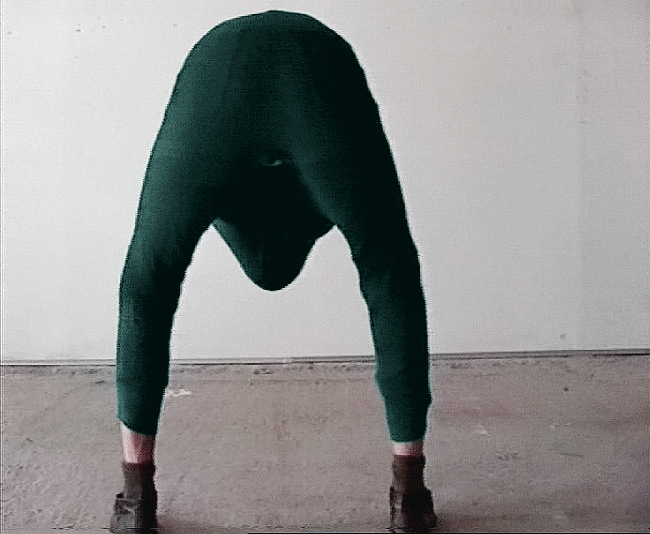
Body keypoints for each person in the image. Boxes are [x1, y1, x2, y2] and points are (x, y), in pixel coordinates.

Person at [111, 10, 436, 534]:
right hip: (317, 69)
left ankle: (134, 499)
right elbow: (389, 269)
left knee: (149, 276)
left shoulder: (237, 189)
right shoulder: (302, 199)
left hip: (219, 72)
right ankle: (410, 497)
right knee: (389, 269)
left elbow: (146, 282)